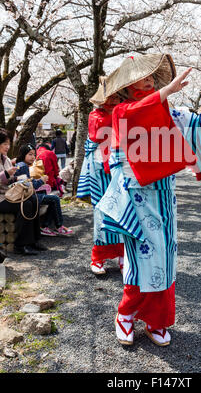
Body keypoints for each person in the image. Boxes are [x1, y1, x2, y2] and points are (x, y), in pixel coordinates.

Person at [97, 53, 201, 347]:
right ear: (126, 87)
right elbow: (134, 115)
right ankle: (126, 314)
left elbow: (199, 123)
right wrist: (164, 93)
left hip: (164, 197)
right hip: (135, 199)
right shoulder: (122, 111)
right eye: (138, 78)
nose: (145, 80)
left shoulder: (169, 110)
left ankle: (157, 320)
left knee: (166, 259)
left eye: (147, 76)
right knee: (140, 260)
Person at [77, 78, 124, 275]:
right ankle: (98, 257)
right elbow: (97, 134)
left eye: (116, 96)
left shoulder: (125, 111)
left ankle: (124, 255)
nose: (113, 100)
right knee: (103, 211)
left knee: (124, 209)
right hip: (100, 167)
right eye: (109, 97)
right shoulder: (95, 115)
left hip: (121, 164)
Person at [0, 129, 46, 255]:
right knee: (26, 205)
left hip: (9, 194)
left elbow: (10, 180)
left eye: (8, 144)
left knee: (33, 199)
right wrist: (6, 174)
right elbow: (4, 177)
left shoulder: (7, 159)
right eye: (5, 144)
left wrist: (18, 178)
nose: (7, 147)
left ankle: (34, 240)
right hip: (1, 199)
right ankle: (20, 244)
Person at [15, 144, 73, 236]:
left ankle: (45, 226)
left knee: (52, 199)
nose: (33, 157)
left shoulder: (22, 165)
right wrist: (41, 181)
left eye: (34, 155)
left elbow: (27, 182)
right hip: (25, 197)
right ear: (23, 154)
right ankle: (58, 226)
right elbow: (29, 186)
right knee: (54, 199)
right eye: (30, 154)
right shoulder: (23, 166)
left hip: (27, 195)